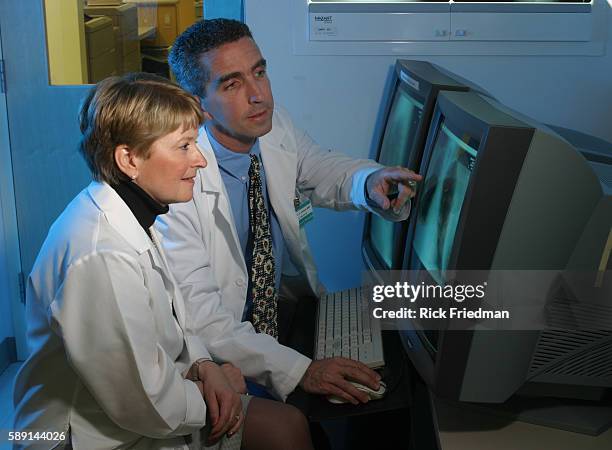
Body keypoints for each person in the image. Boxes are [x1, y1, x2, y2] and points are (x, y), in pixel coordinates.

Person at [12, 74, 313, 450]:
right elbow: (140, 403)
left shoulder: (132, 210)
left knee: (288, 426)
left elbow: (174, 314)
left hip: (142, 406)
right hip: (80, 436)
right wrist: (216, 393)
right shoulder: (102, 254)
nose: (200, 160)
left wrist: (205, 366)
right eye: (184, 146)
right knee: (281, 431)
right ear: (129, 159)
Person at [158, 18, 422, 404]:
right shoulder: (178, 181)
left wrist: (369, 180)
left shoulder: (273, 127)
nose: (258, 95)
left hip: (281, 316)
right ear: (199, 106)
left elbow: (319, 166)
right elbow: (204, 320)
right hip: (219, 352)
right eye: (232, 84)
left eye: (259, 73)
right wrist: (301, 371)